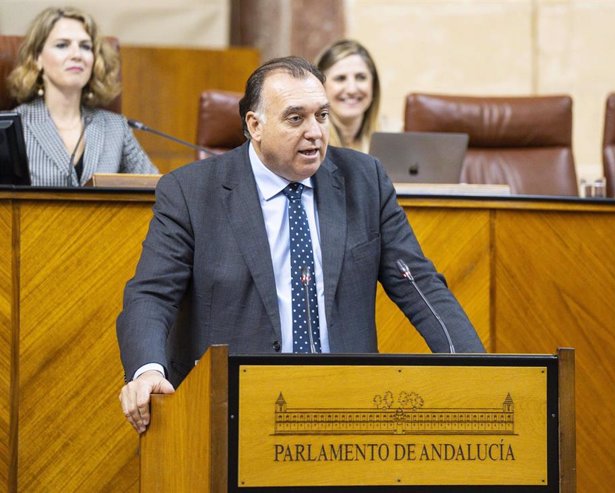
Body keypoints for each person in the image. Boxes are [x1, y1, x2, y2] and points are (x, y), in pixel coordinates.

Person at [117, 56, 484, 433]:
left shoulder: (364, 180)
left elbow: (417, 282)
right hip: (231, 406)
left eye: (322, 116)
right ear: (254, 125)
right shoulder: (191, 191)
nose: (315, 132)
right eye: (296, 118)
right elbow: (152, 294)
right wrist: (147, 370)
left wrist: (479, 369)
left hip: (346, 406)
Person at [7, 7, 157, 187]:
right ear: (37, 58)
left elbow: (156, 192)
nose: (77, 55)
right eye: (62, 45)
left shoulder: (116, 128)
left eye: (85, 46)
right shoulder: (14, 127)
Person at [315, 39, 380, 152]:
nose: (352, 89)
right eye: (340, 78)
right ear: (320, 86)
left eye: (360, 77)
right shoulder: (311, 145)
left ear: (373, 86)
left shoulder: (391, 142)